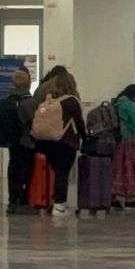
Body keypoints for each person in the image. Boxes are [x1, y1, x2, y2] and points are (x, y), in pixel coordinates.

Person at [30, 66, 85, 215]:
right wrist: (84, 138)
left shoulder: (49, 100)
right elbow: (79, 123)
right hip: (65, 142)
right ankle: (59, 206)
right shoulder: (72, 101)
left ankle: (46, 202)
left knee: (51, 173)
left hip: (45, 142)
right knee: (62, 174)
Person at [0, 66, 37, 214]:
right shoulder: (30, 102)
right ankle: (24, 202)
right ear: (28, 83)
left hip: (11, 141)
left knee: (13, 169)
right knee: (26, 171)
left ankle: (12, 201)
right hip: (27, 142)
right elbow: (33, 122)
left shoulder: (6, 100)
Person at [110, 83, 135, 210]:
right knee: (130, 170)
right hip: (128, 140)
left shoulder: (116, 104)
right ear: (134, 95)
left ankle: (113, 200)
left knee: (118, 170)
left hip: (116, 141)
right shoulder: (128, 105)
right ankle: (129, 200)